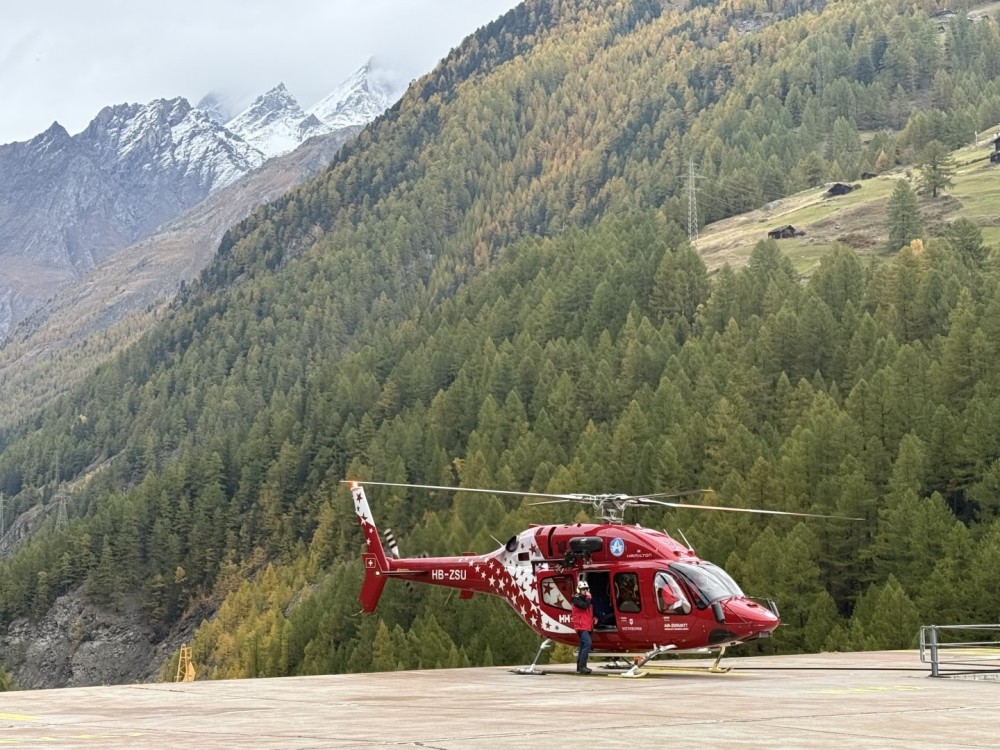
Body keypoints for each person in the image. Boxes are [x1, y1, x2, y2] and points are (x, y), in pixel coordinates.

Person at [571, 579, 595, 674]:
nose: (584, 591)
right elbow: (584, 606)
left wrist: (593, 620)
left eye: (585, 589)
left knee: (582, 645)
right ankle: (583, 666)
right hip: (581, 627)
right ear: (578, 589)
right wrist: (589, 597)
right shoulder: (576, 599)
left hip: (586, 626)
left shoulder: (584, 598)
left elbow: (588, 612)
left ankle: (579, 666)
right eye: (582, 589)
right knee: (588, 643)